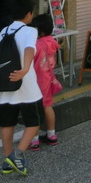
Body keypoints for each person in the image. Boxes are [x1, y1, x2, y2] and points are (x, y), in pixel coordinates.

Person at [0, 0, 43, 176]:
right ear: (29, 15)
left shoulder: (3, 32)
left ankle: (7, 160)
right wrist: (25, 69)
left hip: (5, 81)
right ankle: (17, 155)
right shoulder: (30, 31)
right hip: (26, 84)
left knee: (7, 122)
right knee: (34, 122)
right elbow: (30, 48)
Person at [29, 14, 60, 150]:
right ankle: (51, 134)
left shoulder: (36, 45)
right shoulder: (51, 42)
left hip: (36, 81)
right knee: (47, 106)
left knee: (34, 110)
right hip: (48, 79)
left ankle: (34, 139)